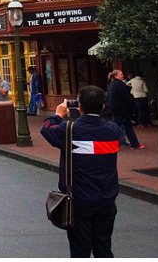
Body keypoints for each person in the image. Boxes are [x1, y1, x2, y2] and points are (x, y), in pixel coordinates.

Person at [40, 86, 121, 258]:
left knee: (79, 251)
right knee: (104, 248)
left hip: (79, 200)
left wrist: (58, 115)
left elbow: (46, 129)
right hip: (106, 198)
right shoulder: (113, 131)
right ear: (103, 107)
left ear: (79, 107)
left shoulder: (69, 130)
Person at [106, 70, 144, 149]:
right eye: (120, 74)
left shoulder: (111, 85)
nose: (122, 75)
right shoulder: (120, 85)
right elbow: (127, 97)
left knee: (126, 126)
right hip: (122, 109)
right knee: (119, 126)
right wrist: (133, 107)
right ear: (116, 76)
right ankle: (133, 144)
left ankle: (134, 143)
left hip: (117, 109)